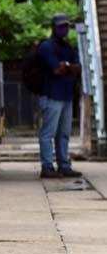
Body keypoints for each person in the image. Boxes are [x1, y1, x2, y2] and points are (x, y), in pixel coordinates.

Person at [37, 13, 82, 179]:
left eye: (66, 26)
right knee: (48, 133)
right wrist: (68, 67)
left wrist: (66, 66)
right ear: (53, 27)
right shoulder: (46, 47)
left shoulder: (68, 47)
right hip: (51, 95)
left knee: (64, 133)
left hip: (66, 96)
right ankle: (47, 166)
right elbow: (56, 70)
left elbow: (78, 68)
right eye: (61, 26)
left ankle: (64, 165)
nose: (64, 29)